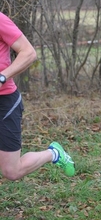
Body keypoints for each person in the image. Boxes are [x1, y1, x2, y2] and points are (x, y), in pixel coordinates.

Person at [0, 12, 75, 181]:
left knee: (12, 171)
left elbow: (28, 53)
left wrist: (2, 77)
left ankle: (54, 153)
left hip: (4, 102)